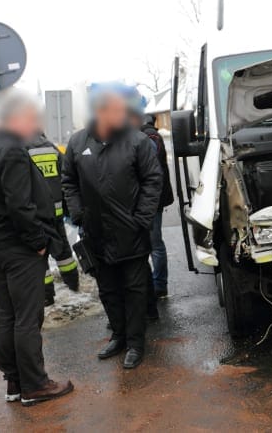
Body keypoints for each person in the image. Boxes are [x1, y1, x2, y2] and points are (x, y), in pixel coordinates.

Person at [0, 89, 73, 405]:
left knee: (8, 314)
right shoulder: (12, 151)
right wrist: (38, 242)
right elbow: (20, 206)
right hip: (20, 247)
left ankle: (14, 382)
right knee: (28, 316)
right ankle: (34, 384)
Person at [62, 83, 162, 370]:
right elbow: (68, 180)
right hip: (96, 233)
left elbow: (153, 181)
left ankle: (136, 343)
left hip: (130, 232)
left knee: (134, 289)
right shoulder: (78, 142)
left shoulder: (137, 141)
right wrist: (78, 212)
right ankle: (118, 336)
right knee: (107, 289)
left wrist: (141, 218)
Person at [26, 132, 80, 306]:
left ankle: (47, 296)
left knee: (38, 256)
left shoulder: (21, 150)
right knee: (63, 250)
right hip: (55, 212)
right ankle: (73, 283)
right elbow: (66, 176)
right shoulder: (52, 148)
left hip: (36, 214)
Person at [129, 107, 174, 299]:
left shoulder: (149, 137)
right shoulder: (147, 135)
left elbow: (146, 168)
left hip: (150, 199)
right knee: (150, 244)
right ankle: (154, 284)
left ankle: (159, 285)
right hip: (149, 198)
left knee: (154, 244)